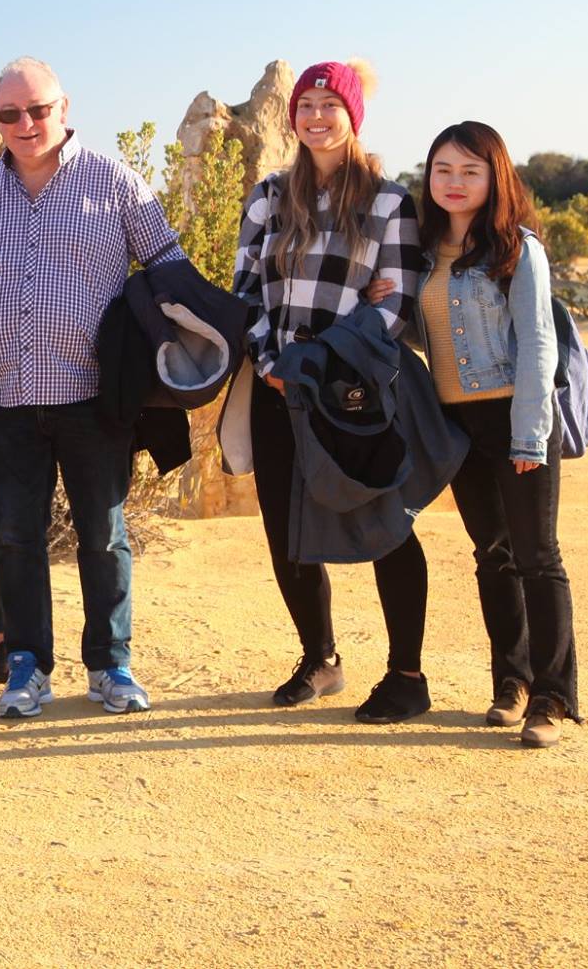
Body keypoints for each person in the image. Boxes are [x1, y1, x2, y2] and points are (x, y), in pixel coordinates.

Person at [0, 58, 190, 720]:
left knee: (102, 534)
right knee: (17, 537)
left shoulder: (115, 182)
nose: (25, 124)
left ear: (64, 105)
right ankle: (27, 665)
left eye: (37, 109)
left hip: (93, 398)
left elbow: (170, 269)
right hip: (7, 397)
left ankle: (110, 665)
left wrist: (162, 369)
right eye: (9, 114)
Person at [230, 59, 433, 723]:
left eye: (329, 105)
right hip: (277, 383)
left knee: (383, 518)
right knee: (286, 528)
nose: (316, 117)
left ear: (353, 115)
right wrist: (269, 359)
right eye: (306, 106)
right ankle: (320, 657)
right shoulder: (267, 195)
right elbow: (246, 290)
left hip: (350, 389)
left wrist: (320, 358)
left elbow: (396, 304)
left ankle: (407, 673)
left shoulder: (388, 201)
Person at [414, 121, 580, 747]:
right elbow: (432, 334)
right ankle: (510, 683)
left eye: (469, 171)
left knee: (538, 557)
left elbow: (538, 345)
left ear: (495, 177)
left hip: (515, 415)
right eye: (443, 170)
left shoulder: (518, 248)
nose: (454, 183)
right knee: (492, 555)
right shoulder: (424, 252)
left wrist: (529, 437)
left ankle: (554, 698)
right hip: (455, 424)